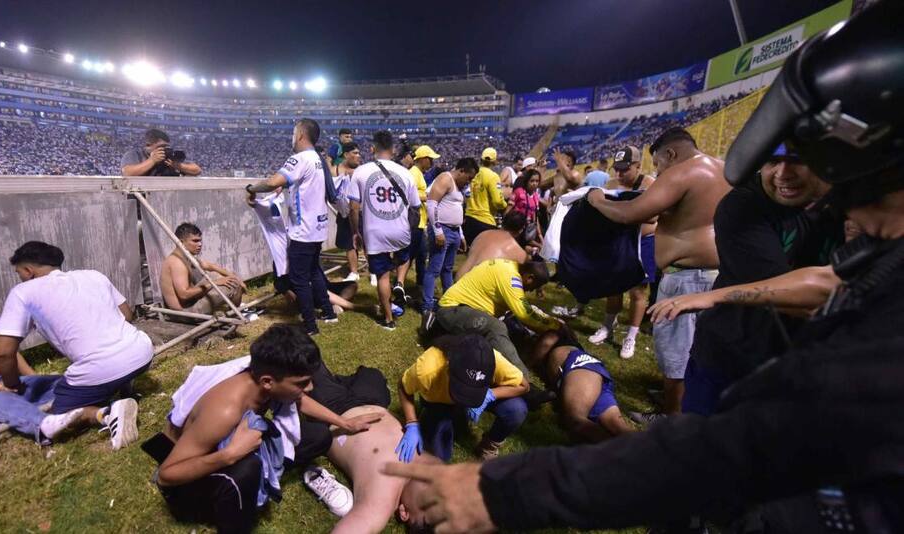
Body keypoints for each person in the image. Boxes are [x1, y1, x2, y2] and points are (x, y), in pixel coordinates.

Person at [383, 8, 904, 531]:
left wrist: (502, 492)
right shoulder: (798, 228)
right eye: (777, 159)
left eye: (804, 157)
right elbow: (830, 288)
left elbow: (722, 451)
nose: (785, 175)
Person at [649, 143, 841, 416]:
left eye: (798, 159)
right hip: (731, 358)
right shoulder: (744, 204)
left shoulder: (857, 204)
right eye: (772, 161)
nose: (782, 173)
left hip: (805, 368)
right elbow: (797, 298)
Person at [145, 324, 381, 533]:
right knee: (248, 469)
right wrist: (229, 455)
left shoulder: (266, 379)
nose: (309, 388)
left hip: (233, 443)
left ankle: (261, 476)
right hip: (188, 482)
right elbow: (167, 475)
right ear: (267, 382)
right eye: (302, 383)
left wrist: (344, 422)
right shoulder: (225, 411)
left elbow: (299, 400)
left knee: (319, 436)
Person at [586, 129, 730, 418]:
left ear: (671, 153)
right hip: (715, 274)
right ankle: (683, 401)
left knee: (677, 353)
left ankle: (669, 416)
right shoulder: (723, 168)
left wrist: (596, 199)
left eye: (659, 163)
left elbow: (631, 213)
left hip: (686, 277)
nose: (659, 170)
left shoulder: (683, 172)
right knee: (698, 348)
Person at [0, 241, 152, 450]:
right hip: (142, 352)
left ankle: (108, 413)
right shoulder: (93, 275)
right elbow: (127, 315)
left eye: (19, 272)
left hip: (101, 369)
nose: (19, 277)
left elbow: (3, 353)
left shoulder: (23, 292)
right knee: (107, 355)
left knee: (60, 418)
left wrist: (13, 385)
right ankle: (124, 387)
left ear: (28, 270)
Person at [305, 360, 442, 533]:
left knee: (306, 359)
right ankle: (338, 382)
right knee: (371, 375)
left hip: (335, 410)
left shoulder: (380, 503)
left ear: (405, 512)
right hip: (374, 402)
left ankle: (328, 382)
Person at [0, 271, 81, 443]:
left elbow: (10, 353)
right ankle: (44, 426)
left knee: (62, 382)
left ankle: (13, 415)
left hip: (4, 385)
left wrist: (35, 380)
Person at [246, 118, 337, 336]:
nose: (292, 138)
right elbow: (301, 185)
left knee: (299, 279)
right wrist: (285, 187)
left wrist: (251, 188)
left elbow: (272, 182)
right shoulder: (317, 159)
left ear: (301, 135)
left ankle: (310, 325)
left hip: (303, 231)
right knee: (314, 271)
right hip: (317, 228)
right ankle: (328, 313)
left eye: (293, 133)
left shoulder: (299, 158)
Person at [396, 335, 529, 462]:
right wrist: (411, 423)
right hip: (439, 401)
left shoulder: (491, 359)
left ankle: (488, 445)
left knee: (516, 409)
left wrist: (490, 395)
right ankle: (442, 418)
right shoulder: (428, 368)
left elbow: (524, 386)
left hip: (479, 394)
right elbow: (403, 385)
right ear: (449, 366)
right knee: (438, 456)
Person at [436, 258, 561, 379]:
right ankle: (522, 379)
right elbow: (525, 314)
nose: (531, 291)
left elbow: (524, 307)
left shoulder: (507, 265)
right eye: (534, 286)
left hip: (465, 310)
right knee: (496, 327)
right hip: (453, 310)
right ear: (530, 278)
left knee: (511, 326)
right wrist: (555, 325)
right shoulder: (511, 278)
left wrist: (551, 321)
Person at [587, 146, 657, 359]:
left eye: (624, 169)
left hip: (643, 242)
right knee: (613, 287)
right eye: (616, 169)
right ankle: (608, 326)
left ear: (638, 166)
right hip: (619, 241)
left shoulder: (650, 185)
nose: (619, 174)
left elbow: (654, 217)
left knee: (637, 291)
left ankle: (631, 336)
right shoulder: (610, 184)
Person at [348, 130, 421, 331]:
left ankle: (388, 319)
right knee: (404, 258)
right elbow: (416, 206)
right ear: (393, 149)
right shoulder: (406, 173)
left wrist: (356, 232)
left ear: (373, 148)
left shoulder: (360, 172)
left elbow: (353, 208)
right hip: (401, 230)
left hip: (374, 232)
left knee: (382, 276)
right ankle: (400, 282)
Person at [249, 188, 359, 314]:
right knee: (318, 290)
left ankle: (336, 304)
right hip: (306, 289)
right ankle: (344, 306)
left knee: (351, 285)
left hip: (320, 286)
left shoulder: (309, 246)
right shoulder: (286, 252)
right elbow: (278, 280)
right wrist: (286, 291)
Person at [527, 328, 634, 443]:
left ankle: (614, 451)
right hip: (592, 369)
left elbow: (547, 342)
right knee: (618, 426)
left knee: (575, 420)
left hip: (580, 367)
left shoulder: (555, 336)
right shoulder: (570, 342)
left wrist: (528, 363)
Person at [422, 157, 476, 315]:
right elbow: (431, 204)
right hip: (443, 230)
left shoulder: (458, 186)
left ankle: (449, 302)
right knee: (434, 269)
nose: (469, 182)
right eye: (469, 178)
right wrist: (438, 231)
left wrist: (461, 235)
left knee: (447, 269)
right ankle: (427, 306)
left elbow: (456, 209)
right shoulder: (445, 178)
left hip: (454, 231)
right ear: (461, 171)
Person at [160, 223, 244, 315]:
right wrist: (214, 283)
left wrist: (235, 277)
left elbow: (210, 266)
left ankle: (231, 310)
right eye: (195, 241)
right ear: (181, 242)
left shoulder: (185, 257)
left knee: (220, 276)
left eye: (200, 241)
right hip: (184, 313)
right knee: (233, 284)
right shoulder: (177, 263)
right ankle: (234, 313)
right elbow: (184, 295)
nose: (200, 244)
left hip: (189, 304)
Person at [397, 145, 439, 309]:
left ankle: (418, 284)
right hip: (415, 223)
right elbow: (408, 194)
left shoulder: (418, 173)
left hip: (419, 222)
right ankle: (400, 285)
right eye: (430, 159)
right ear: (422, 159)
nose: (432, 162)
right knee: (411, 255)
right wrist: (427, 196)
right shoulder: (414, 173)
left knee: (420, 254)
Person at [455, 211, 531, 281]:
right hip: (475, 287)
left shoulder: (482, 235)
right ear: (521, 230)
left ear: (503, 222)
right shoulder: (520, 253)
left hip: (458, 282)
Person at [463, 148, 508, 245]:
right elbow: (498, 202)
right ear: (495, 161)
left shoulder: (473, 174)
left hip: (469, 219)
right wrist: (505, 205)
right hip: (485, 221)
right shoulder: (493, 176)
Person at [333, 142, 363, 282]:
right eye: (355, 153)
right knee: (348, 243)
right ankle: (354, 272)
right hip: (344, 212)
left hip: (360, 211)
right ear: (346, 155)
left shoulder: (361, 171)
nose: (358, 156)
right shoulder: (335, 170)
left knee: (366, 242)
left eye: (358, 153)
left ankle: (374, 273)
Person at [121, 128, 201, 177]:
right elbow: (128, 173)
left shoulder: (168, 156)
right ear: (148, 145)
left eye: (167, 146)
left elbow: (197, 170)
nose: (165, 149)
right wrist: (152, 160)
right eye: (161, 146)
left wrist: (178, 166)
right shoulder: (135, 154)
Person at [508, 169, 545, 249]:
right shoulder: (518, 192)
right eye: (532, 181)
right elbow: (508, 211)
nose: (534, 183)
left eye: (537, 181)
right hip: (515, 229)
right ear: (526, 181)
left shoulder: (536, 196)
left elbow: (535, 218)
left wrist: (539, 235)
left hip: (527, 230)